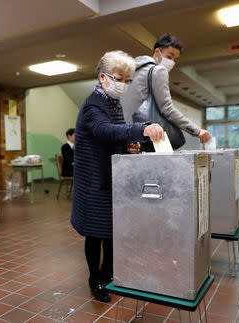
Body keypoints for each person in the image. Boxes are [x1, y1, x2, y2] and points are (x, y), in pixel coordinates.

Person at [71, 50, 164, 302]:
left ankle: (109, 273)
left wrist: (129, 145)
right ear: (103, 78)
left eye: (127, 79)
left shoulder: (113, 103)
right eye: (118, 78)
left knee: (112, 231)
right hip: (93, 181)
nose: (123, 84)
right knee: (95, 233)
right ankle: (95, 279)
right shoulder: (92, 105)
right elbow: (103, 130)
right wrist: (142, 129)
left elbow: (116, 135)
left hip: (110, 179)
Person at [121, 34, 212, 151]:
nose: (172, 62)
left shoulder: (131, 70)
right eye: (170, 56)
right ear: (157, 52)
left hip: (122, 134)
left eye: (175, 60)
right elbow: (167, 109)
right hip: (141, 137)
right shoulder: (159, 70)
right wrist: (197, 130)